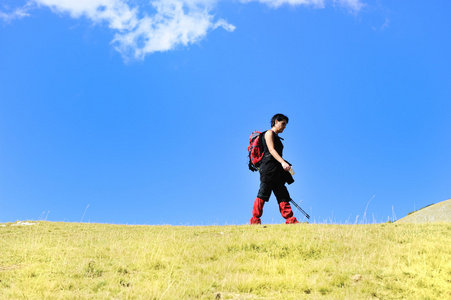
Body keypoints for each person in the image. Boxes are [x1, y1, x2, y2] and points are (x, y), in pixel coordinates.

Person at [250, 113, 299, 225]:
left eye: (285, 125)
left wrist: (283, 164)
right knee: (263, 193)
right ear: (276, 121)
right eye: (283, 124)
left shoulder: (277, 138)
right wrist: (283, 162)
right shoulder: (268, 133)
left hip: (277, 170)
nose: (284, 127)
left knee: (282, 194)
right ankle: (255, 221)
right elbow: (271, 150)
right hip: (268, 169)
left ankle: (290, 220)